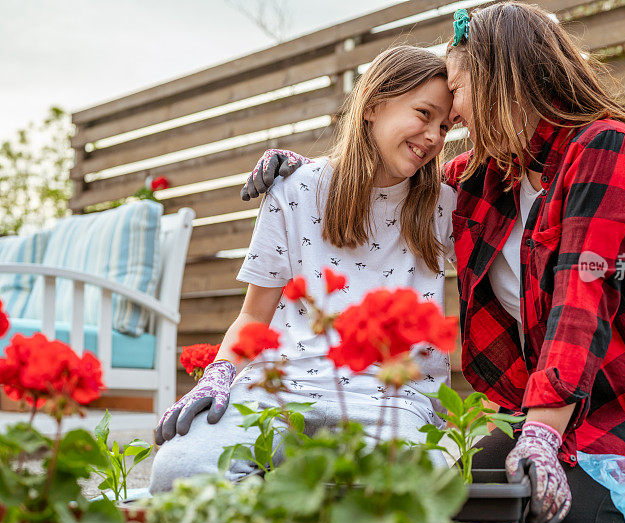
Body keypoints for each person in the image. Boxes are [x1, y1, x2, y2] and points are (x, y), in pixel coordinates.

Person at [240, 4, 625, 523]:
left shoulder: (606, 148)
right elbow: (392, 179)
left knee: (554, 518)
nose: (457, 114)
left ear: (501, 81)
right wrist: (308, 174)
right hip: (568, 406)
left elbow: (578, 301)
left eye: (460, 90)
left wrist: (540, 435)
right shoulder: (489, 175)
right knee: (457, 499)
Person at [149, 45, 457, 493]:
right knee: (180, 470)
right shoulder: (295, 188)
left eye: (445, 126)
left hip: (391, 399)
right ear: (374, 105)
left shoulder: (445, 207)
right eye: (424, 114)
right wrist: (218, 374)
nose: (433, 136)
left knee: (404, 492)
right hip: (280, 389)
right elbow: (253, 316)